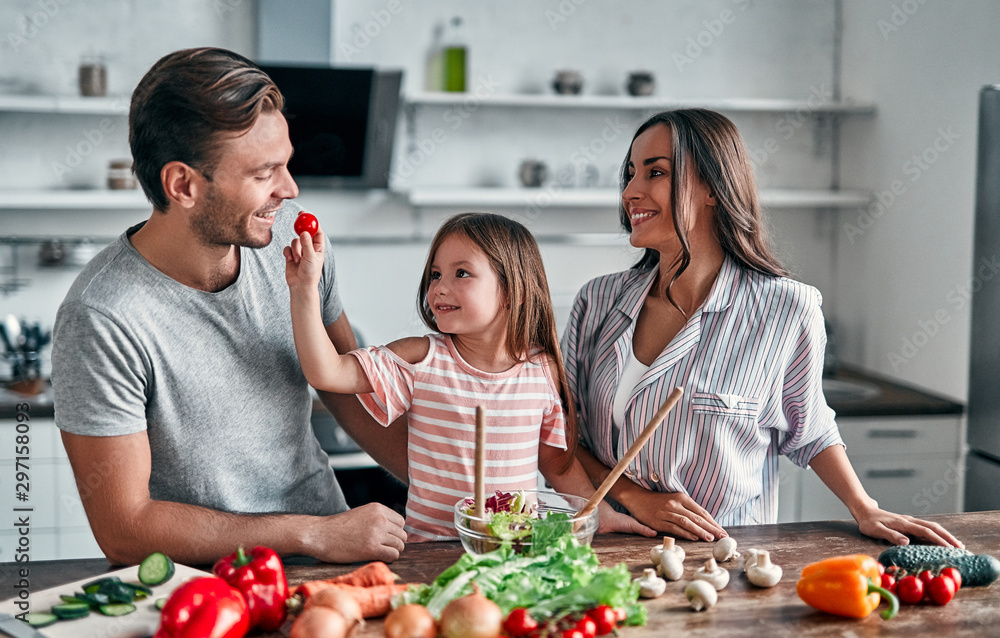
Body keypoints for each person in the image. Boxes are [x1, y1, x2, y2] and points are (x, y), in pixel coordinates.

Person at [51, 47, 408, 566]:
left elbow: (347, 386)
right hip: (208, 585)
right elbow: (124, 529)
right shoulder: (102, 317)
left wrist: (449, 488)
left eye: (286, 164)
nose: (290, 189)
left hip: (335, 558)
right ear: (184, 185)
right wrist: (310, 533)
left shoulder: (290, 236)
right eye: (265, 173)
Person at [563, 108, 963, 547]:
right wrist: (634, 497)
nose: (630, 192)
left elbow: (809, 427)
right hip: (606, 546)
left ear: (713, 189)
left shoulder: (787, 308)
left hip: (725, 558)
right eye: (629, 174)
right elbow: (563, 432)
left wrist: (865, 508)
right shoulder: (597, 302)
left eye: (655, 172)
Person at [285, 212, 655, 541]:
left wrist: (597, 512)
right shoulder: (421, 358)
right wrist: (304, 290)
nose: (439, 287)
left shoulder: (542, 370)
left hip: (511, 549)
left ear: (513, 291)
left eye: (461, 273)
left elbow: (557, 463)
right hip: (429, 552)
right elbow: (326, 371)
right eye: (435, 274)